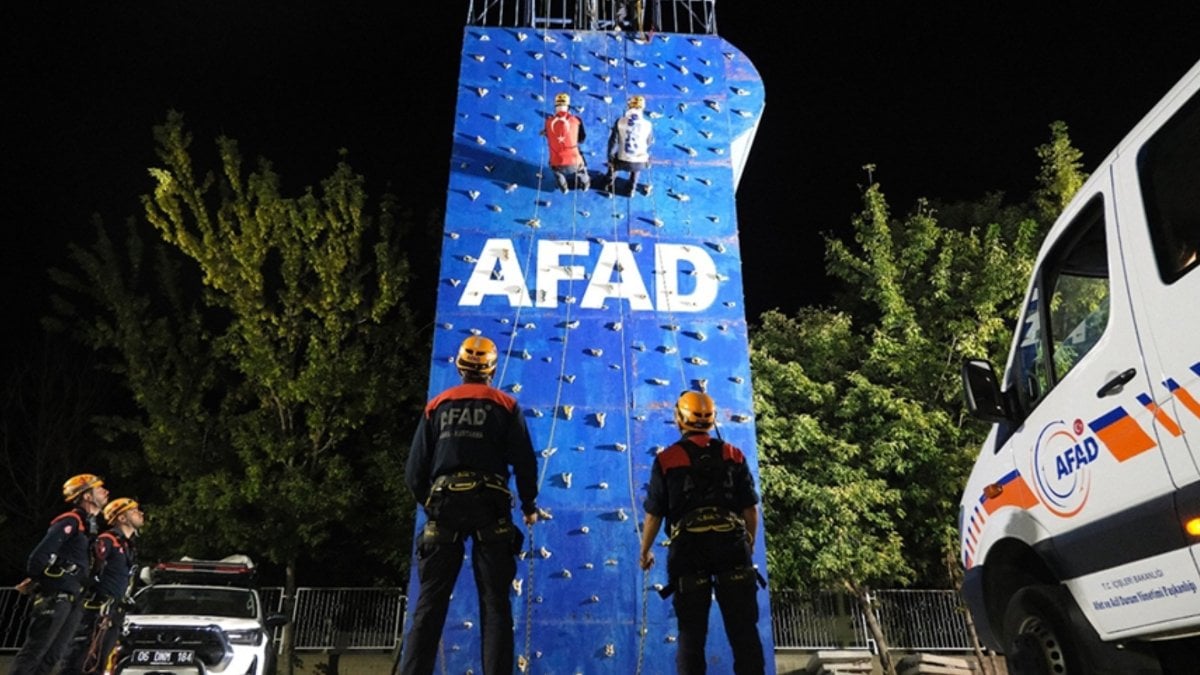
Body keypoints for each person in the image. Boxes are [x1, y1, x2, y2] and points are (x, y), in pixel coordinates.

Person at [399, 335, 539, 675]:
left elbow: (414, 472)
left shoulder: (437, 405)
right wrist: (529, 504)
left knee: (430, 604)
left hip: (444, 504)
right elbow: (524, 460)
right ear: (491, 369)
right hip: (490, 506)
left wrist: (430, 503)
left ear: (460, 366)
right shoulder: (505, 405)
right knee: (495, 604)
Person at [639, 392, 765, 674]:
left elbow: (654, 514)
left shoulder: (667, 459)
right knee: (744, 633)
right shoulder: (733, 454)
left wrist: (645, 551)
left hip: (688, 551)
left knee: (691, 636)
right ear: (712, 418)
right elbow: (750, 510)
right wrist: (749, 542)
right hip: (731, 546)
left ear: (679, 418)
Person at [10, 474, 109, 675]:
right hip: (57, 597)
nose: (105, 492)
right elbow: (39, 557)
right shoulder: (71, 520)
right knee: (36, 650)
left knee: (54, 655)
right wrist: (42, 579)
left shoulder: (89, 527)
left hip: (73, 599)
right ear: (87, 496)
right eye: (99, 489)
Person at [60, 498, 142, 675]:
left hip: (113, 611)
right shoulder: (107, 540)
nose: (140, 514)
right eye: (134, 511)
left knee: (100, 661)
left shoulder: (128, 546)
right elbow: (91, 569)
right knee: (80, 659)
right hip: (96, 610)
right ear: (122, 518)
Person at [605, 94, 654, 196]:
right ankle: (631, 189)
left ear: (629, 107)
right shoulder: (648, 124)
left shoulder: (620, 121)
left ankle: (608, 182)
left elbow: (613, 141)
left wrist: (610, 158)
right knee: (637, 166)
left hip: (621, 161)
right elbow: (648, 143)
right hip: (639, 163)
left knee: (613, 165)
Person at [543, 92, 590, 193]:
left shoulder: (548, 122)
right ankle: (585, 184)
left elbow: (550, 135)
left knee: (555, 170)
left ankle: (563, 187)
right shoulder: (576, 120)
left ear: (555, 107)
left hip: (557, 163)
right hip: (575, 162)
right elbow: (581, 139)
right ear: (568, 107)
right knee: (582, 167)